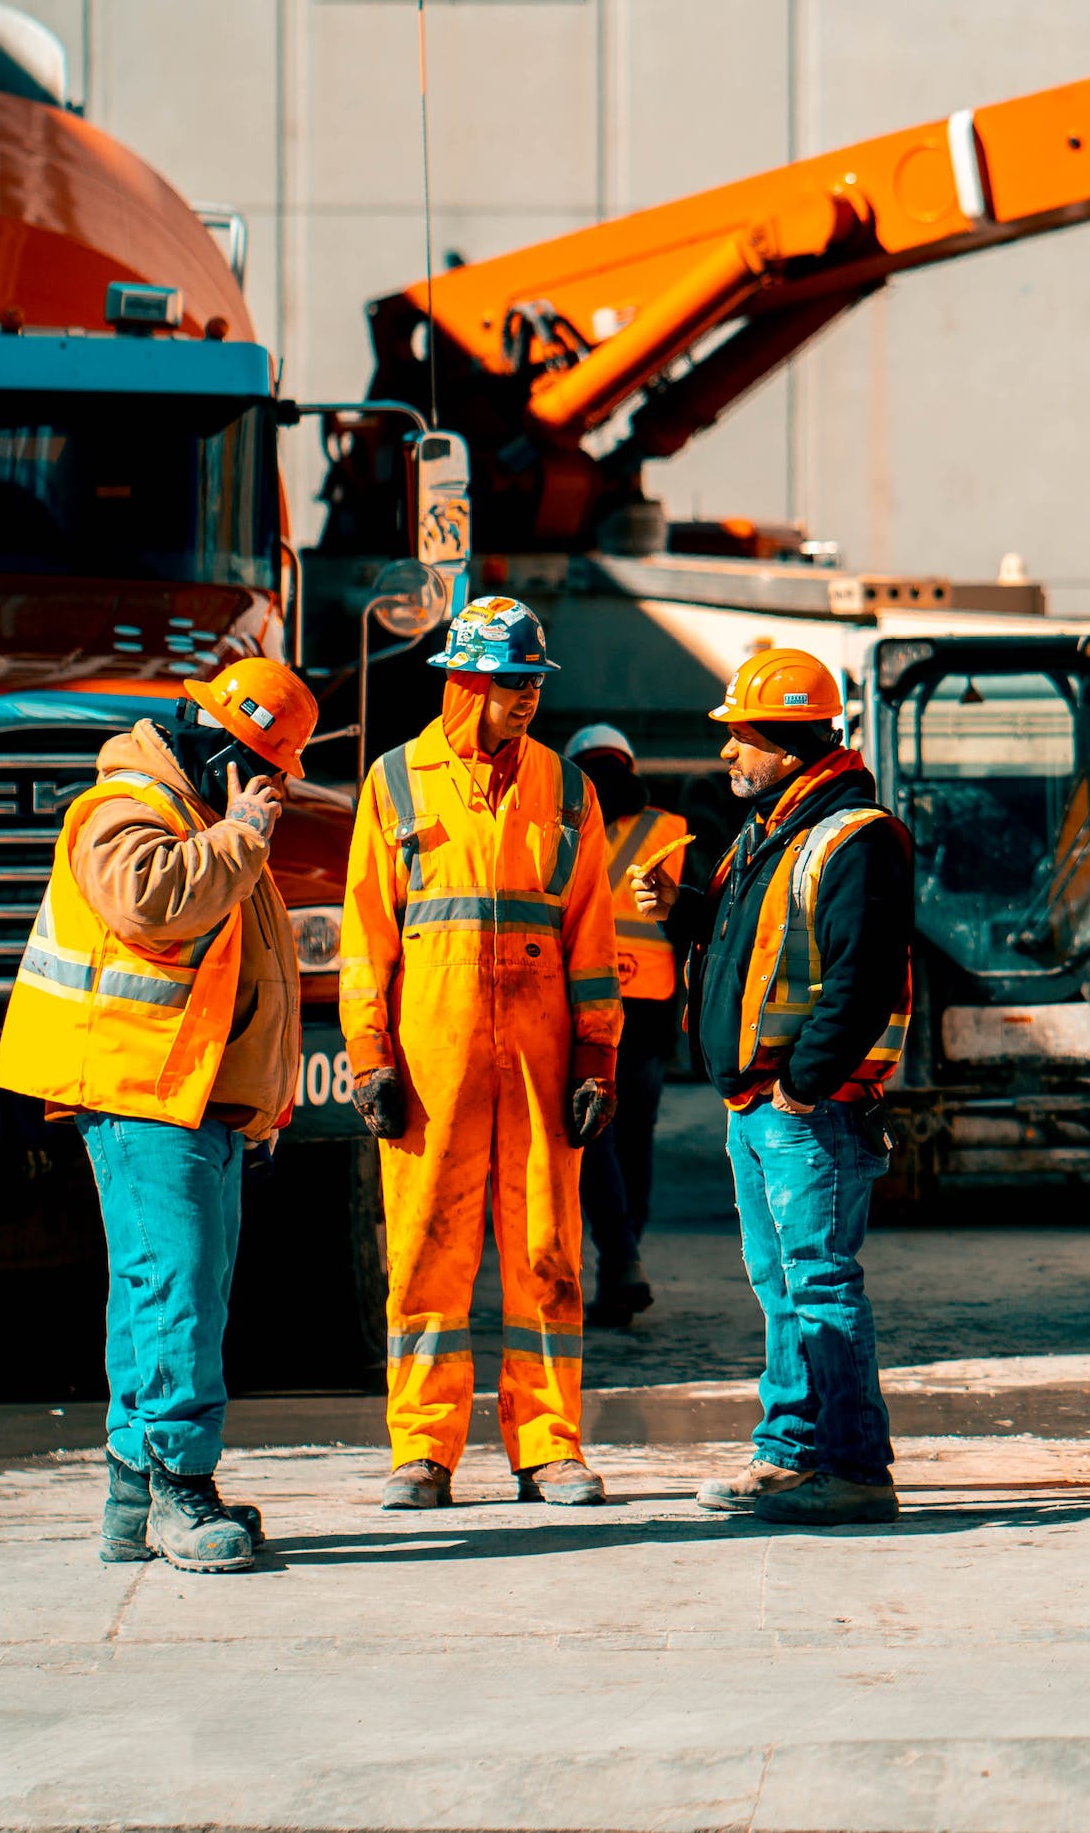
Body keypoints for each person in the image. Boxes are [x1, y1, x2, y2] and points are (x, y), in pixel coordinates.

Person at [0, 657, 318, 1575]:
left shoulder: (212, 823)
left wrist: (259, 1105)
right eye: (264, 769)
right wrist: (246, 833)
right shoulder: (125, 808)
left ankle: (133, 1501)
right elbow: (151, 902)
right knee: (172, 1294)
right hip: (143, 1098)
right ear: (219, 747)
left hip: (199, 1102)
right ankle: (180, 1488)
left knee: (170, 1296)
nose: (272, 790)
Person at [339, 596, 622, 1512]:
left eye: (534, 684)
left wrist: (597, 1060)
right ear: (462, 684)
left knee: (547, 1256)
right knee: (425, 1260)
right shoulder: (395, 784)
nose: (526, 700)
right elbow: (364, 940)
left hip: (539, 1071)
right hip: (432, 1070)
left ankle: (550, 1449)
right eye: (509, 684)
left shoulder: (569, 791)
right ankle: (422, 1453)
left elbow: (590, 941)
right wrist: (368, 1057)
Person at [630, 647, 912, 1526]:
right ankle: (789, 1452)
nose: (728, 755)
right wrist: (685, 912)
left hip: (805, 1111)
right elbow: (762, 938)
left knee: (820, 1285)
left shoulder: (856, 835)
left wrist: (803, 1085)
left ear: (788, 746)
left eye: (741, 738)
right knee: (783, 1286)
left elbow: (862, 980)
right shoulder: (776, 828)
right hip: (760, 1104)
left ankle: (856, 1469)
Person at [563, 722, 687, 1328]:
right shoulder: (672, 828)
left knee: (596, 1137)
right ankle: (626, 1259)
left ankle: (620, 1258)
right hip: (652, 1004)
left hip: (583, 1003)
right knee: (636, 1134)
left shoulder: (561, 820)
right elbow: (697, 918)